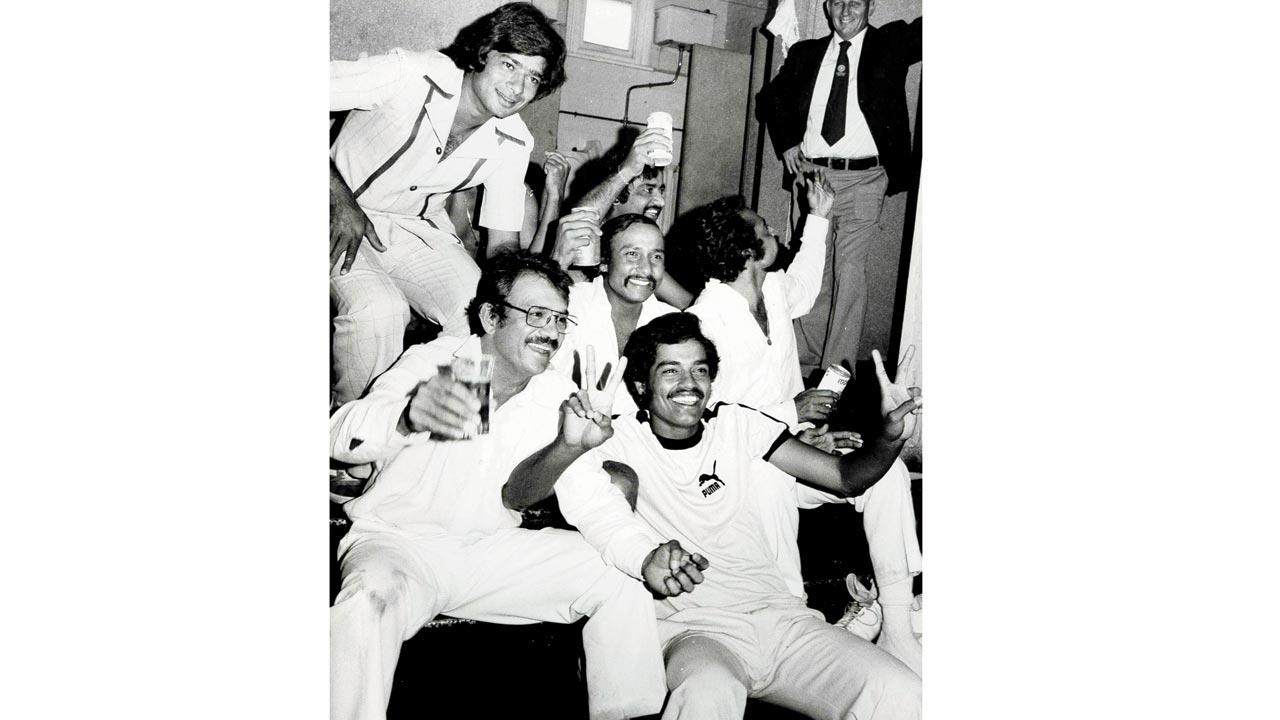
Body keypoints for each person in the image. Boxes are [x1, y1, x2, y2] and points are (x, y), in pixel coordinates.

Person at [329, 251, 708, 720]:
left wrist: (645, 555)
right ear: (491, 316)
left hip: (490, 551)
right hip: (400, 545)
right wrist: (407, 417)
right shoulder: (436, 361)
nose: (550, 331)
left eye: (559, 319)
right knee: (367, 601)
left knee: (618, 577)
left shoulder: (554, 395)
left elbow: (590, 501)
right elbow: (340, 436)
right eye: (536, 315)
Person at [506, 313, 922, 719]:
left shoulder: (737, 424)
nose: (689, 384)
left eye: (699, 370)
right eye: (670, 371)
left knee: (903, 694)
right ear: (639, 385)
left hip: (783, 623)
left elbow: (845, 478)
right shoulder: (615, 439)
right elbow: (522, 495)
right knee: (708, 692)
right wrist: (572, 446)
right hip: (694, 631)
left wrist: (888, 438)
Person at [679, 187, 923, 672]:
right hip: (746, 472)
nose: (774, 230)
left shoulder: (770, 289)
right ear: (748, 252)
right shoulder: (701, 324)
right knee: (770, 481)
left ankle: (897, 628)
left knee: (887, 476)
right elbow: (712, 418)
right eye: (765, 228)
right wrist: (789, 416)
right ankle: (793, 619)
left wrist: (818, 217)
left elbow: (807, 285)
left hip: (802, 448)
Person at [329, 2, 567, 406]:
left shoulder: (514, 140)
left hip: (414, 230)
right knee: (378, 311)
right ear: (483, 53)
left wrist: (525, 297)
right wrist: (337, 196)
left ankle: (453, 440)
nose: (517, 88)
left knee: (486, 319)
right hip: (329, 210)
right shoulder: (409, 73)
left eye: (533, 78)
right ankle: (351, 449)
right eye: (510, 66)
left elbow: (503, 247)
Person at [758, 0, 922, 380]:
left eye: (856, 1)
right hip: (814, 178)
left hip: (865, 179)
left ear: (870, 6)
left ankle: (836, 375)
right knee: (812, 269)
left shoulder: (890, 43)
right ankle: (804, 367)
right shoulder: (806, 53)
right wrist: (786, 143)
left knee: (848, 270)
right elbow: (770, 99)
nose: (846, 10)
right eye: (838, 1)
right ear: (828, 6)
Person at [550, 213, 678, 416]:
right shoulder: (569, 305)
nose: (646, 268)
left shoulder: (674, 325)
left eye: (656, 256)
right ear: (604, 262)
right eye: (632, 254)